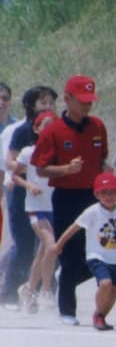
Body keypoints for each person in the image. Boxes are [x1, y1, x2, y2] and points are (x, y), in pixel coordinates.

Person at [32, 75, 109, 325]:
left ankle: (64, 280)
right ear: (67, 99)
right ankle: (67, 309)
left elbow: (102, 160)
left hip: (93, 197)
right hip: (66, 197)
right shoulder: (53, 130)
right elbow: (41, 168)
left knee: (98, 251)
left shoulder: (97, 126)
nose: (87, 106)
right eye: (82, 100)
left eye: (90, 101)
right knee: (69, 252)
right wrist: (65, 169)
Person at [48, 171, 116, 330]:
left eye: (113, 192)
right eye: (105, 193)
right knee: (105, 283)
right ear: (97, 194)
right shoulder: (93, 211)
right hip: (97, 256)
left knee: (115, 290)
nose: (109, 196)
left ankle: (100, 315)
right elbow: (74, 228)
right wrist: (59, 244)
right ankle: (98, 315)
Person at [0, 85, 57, 306]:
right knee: (23, 244)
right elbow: (9, 163)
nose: (48, 106)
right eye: (43, 102)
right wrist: (29, 169)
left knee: (46, 244)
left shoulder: (55, 130)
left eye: (51, 102)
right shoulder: (18, 131)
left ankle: (40, 287)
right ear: (30, 105)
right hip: (19, 192)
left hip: (47, 194)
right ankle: (9, 292)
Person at [14, 111, 58, 313]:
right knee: (51, 246)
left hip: (55, 206)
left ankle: (29, 289)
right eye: (45, 125)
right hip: (36, 207)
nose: (50, 129)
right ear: (36, 129)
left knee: (43, 252)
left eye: (53, 125)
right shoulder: (28, 152)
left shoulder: (60, 151)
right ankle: (46, 290)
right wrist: (29, 185)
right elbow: (16, 175)